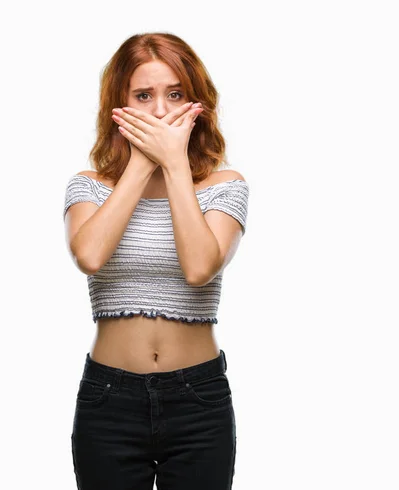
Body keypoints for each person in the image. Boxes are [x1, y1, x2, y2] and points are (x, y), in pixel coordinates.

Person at [63, 32, 249, 490]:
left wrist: (174, 165)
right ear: (118, 105)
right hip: (108, 399)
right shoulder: (89, 186)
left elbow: (200, 266)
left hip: (198, 401)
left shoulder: (225, 186)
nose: (161, 112)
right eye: (143, 96)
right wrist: (144, 163)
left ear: (196, 103)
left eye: (175, 94)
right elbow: (88, 255)